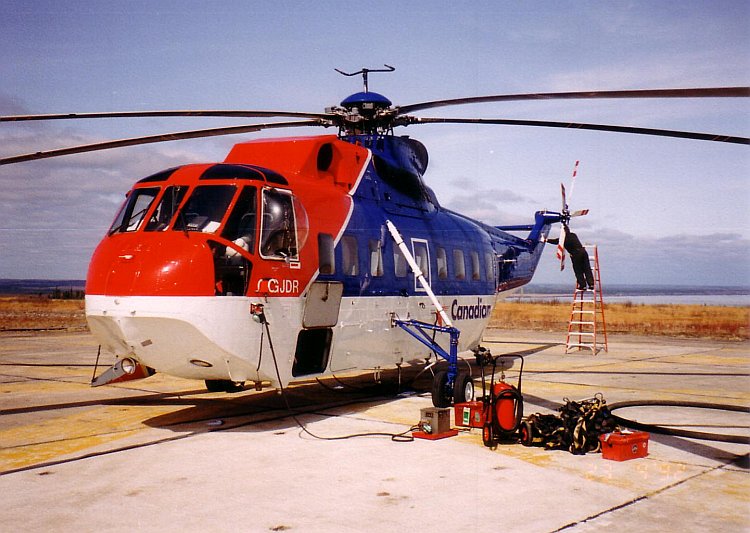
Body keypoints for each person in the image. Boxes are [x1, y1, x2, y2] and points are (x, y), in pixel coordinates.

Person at [547, 226, 595, 290]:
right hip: (583, 252)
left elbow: (556, 241)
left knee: (578, 270)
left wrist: (546, 240)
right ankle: (591, 284)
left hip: (576, 254)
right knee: (587, 268)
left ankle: (583, 285)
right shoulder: (573, 235)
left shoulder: (564, 239)